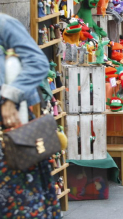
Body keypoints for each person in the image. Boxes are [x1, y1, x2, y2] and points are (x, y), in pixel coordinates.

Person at [0, 13, 61, 218]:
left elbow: (37, 63)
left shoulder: (4, 24)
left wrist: (9, 98)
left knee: (21, 205)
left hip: (12, 132)